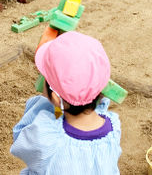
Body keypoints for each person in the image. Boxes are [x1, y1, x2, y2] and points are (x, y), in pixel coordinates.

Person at [10, 31, 122, 174]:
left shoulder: (46, 136)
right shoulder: (114, 127)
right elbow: (99, 105)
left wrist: (44, 103)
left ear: (56, 98)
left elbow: (19, 137)